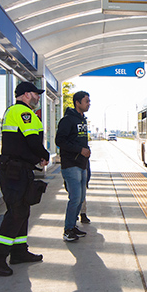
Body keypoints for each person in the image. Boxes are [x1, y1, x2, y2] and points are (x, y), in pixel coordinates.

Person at [0, 81, 50, 277]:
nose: (38, 97)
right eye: (36, 94)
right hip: (15, 170)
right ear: (27, 94)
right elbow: (32, 140)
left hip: (18, 169)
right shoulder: (23, 112)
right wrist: (44, 155)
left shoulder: (16, 112)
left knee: (23, 210)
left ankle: (19, 251)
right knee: (17, 212)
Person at [56, 91, 91, 242]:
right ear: (77, 102)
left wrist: (86, 151)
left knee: (81, 197)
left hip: (82, 164)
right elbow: (60, 141)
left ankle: (73, 225)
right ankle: (68, 230)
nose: (89, 104)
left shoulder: (83, 120)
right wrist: (79, 150)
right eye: (86, 101)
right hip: (71, 164)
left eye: (89, 101)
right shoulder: (67, 120)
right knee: (75, 198)